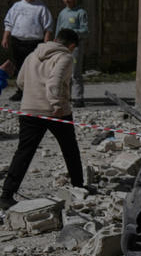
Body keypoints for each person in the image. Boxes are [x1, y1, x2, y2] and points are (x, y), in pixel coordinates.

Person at [0, 29, 84, 210]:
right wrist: (56, 104)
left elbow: (21, 81)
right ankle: (78, 186)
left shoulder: (33, 55)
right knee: (70, 147)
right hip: (55, 111)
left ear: (54, 40)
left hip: (29, 110)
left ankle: (6, 195)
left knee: (24, 152)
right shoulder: (65, 57)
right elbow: (54, 82)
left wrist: (32, 94)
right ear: (71, 46)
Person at [2, 0, 54, 101]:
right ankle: (21, 91)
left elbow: (48, 28)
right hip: (18, 41)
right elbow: (9, 24)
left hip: (35, 42)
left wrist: (45, 45)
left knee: (35, 68)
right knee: (20, 67)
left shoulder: (41, 8)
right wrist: (5, 38)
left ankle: (35, 93)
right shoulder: (16, 7)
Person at [56, 0, 89, 108]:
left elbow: (85, 30)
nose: (66, 0)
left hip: (75, 47)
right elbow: (58, 30)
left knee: (75, 72)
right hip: (62, 47)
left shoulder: (81, 12)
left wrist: (71, 32)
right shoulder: (62, 13)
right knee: (63, 72)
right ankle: (65, 96)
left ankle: (78, 98)